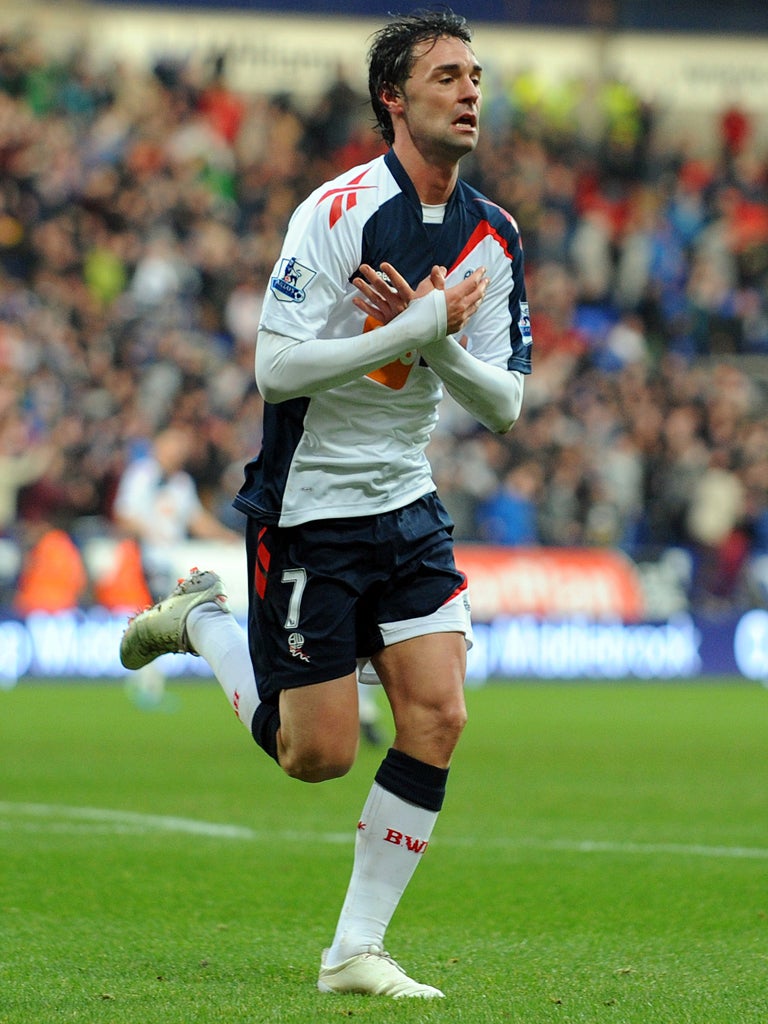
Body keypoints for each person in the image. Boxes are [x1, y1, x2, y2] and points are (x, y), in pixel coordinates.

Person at [120, 9, 531, 998]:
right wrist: (405, 335)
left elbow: (506, 402)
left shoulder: (492, 235)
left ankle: (355, 948)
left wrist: (430, 338)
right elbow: (274, 368)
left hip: (407, 500)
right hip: (309, 513)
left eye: (475, 74)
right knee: (317, 756)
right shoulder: (336, 212)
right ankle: (207, 622)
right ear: (395, 98)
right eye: (445, 76)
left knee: (437, 713)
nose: (470, 90)